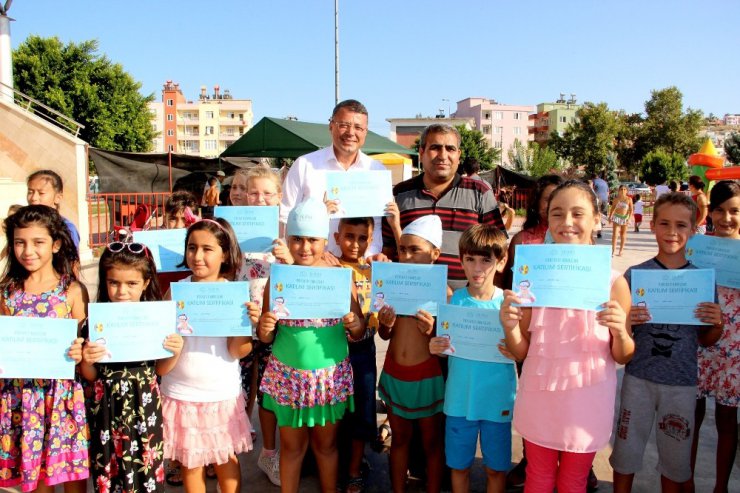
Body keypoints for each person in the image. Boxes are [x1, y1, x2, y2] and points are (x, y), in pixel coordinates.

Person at [500, 180, 634, 493]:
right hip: (540, 395)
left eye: (578, 213)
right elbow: (521, 351)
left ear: (597, 219)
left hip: (586, 401)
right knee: (538, 477)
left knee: (574, 481)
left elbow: (624, 354)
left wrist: (618, 330)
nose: (567, 222)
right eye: (557, 214)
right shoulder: (533, 279)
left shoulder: (614, 283)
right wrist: (509, 325)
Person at [610, 192, 723, 493]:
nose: (672, 232)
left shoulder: (701, 280)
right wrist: (628, 321)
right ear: (652, 226)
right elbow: (621, 339)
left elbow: (708, 340)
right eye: (664, 223)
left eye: (681, 225)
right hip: (638, 379)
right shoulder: (634, 276)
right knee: (625, 453)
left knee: (674, 462)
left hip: (682, 384)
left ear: (694, 230)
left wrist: (717, 322)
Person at [255, 198, 364, 493]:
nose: (305, 247)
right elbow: (265, 336)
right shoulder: (277, 281)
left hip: (328, 377)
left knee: (326, 447)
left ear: (325, 240)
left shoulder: (340, 279)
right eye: (297, 239)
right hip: (288, 377)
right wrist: (264, 328)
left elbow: (359, 330)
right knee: (291, 449)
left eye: (313, 240)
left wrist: (355, 324)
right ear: (287, 239)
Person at [80, 242, 184, 493]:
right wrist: (87, 358)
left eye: (131, 284)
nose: (121, 291)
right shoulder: (94, 323)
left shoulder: (157, 321)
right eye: (114, 282)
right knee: (109, 470)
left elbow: (160, 370)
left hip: (144, 408)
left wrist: (176, 350)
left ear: (146, 283)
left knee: (144, 470)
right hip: (106, 411)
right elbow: (90, 375)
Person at [0, 205, 89, 493]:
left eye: (38, 242)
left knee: (70, 476)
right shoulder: (6, 292)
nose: (28, 251)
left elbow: (86, 343)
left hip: (62, 398)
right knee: (36, 479)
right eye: (19, 242)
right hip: (21, 400)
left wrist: (80, 350)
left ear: (56, 244)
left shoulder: (72, 291)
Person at [160, 218, 253, 493]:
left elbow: (239, 350)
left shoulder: (234, 294)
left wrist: (246, 323)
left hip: (220, 394)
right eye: (191, 247)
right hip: (181, 393)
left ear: (224, 253)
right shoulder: (175, 293)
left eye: (207, 249)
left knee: (225, 460)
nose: (197, 256)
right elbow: (161, 350)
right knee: (191, 464)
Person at [428, 224, 516, 493]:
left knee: (496, 468)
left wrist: (516, 351)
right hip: (458, 401)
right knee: (458, 466)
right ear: (461, 262)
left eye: (486, 260)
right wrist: (436, 346)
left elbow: (522, 348)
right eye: (470, 259)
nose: (478, 268)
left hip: (497, 401)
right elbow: (445, 347)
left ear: (500, 263)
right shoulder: (453, 303)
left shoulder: (509, 305)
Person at [382, 123, 505, 291]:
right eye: (435, 148)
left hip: (463, 304)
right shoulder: (400, 194)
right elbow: (387, 251)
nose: (443, 155)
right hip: (410, 299)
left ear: (459, 155)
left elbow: (499, 249)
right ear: (421, 152)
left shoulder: (479, 193)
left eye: (450, 149)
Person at [233, 165, 293, 487]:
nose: (259, 199)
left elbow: (299, 277)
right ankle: (228, 450)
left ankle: (270, 453)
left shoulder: (286, 233)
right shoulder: (229, 230)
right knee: (238, 389)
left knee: (270, 394)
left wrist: (288, 257)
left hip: (274, 323)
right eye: (253, 192)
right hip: (239, 321)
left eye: (268, 193)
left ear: (279, 197)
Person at [378, 215, 446, 493]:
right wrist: (386, 323)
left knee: (431, 443)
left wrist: (432, 330)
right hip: (395, 374)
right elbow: (385, 336)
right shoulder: (392, 288)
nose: (405, 256)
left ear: (435, 254)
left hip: (427, 378)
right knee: (400, 441)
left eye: (414, 250)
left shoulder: (445, 293)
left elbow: (448, 344)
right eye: (402, 249)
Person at [280, 99, 391, 257]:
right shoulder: (304, 165)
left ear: (366, 132)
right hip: (313, 268)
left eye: (358, 127)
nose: (351, 133)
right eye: (344, 125)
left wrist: (369, 258)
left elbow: (377, 226)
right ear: (331, 125)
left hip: (360, 269)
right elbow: (285, 217)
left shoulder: (376, 171)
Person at [691, 181, 740, 493]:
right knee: (689, 417)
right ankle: (686, 482)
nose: (726, 218)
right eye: (720, 210)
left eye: (734, 211)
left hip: (734, 350)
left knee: (727, 420)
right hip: (696, 342)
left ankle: (720, 487)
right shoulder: (698, 247)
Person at [333, 216, 380, 493]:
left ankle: (353, 469)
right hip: (333, 349)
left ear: (370, 240)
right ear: (337, 237)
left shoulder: (375, 270)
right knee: (336, 411)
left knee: (363, 408)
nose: (356, 243)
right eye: (349, 236)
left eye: (363, 238)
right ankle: (335, 462)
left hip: (364, 349)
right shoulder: (329, 267)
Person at [26, 169, 81, 250]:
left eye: (41, 193)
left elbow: (72, 260)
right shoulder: (23, 224)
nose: (34, 198)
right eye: (30, 192)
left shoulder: (67, 228)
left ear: (58, 197)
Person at [608, 184, 634, 256]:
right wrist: (610, 217)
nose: (623, 191)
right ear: (618, 191)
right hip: (617, 217)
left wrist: (629, 218)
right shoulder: (616, 199)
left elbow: (631, 210)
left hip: (625, 218)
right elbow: (613, 208)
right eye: (621, 189)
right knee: (615, 234)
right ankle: (613, 250)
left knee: (623, 234)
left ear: (627, 191)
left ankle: (621, 250)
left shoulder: (629, 199)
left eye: (624, 189)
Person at [591, 173, 609, 238]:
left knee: (596, 214)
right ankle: (600, 231)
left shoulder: (593, 182)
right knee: (603, 215)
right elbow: (607, 192)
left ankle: (593, 231)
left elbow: (592, 190)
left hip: (598, 199)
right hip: (605, 199)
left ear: (593, 178)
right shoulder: (604, 182)